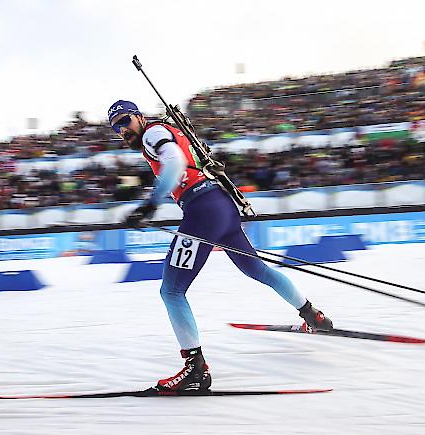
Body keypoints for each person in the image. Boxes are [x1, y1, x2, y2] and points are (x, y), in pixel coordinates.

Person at [107, 100, 333, 392]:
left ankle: (195, 369)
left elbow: (174, 162)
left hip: (202, 210)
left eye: (125, 121)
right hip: (220, 207)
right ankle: (312, 315)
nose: (121, 129)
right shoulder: (169, 130)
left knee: (172, 291)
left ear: (139, 117)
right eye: (116, 126)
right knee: (259, 271)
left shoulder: (152, 134)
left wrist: (150, 205)